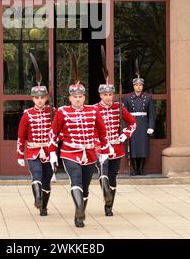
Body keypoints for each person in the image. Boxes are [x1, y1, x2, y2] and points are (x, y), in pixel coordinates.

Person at [49, 82, 113, 228]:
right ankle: (78, 208)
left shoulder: (93, 111)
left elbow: (102, 132)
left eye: (80, 96)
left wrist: (104, 151)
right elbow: (53, 133)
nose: (77, 99)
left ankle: (80, 214)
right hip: (69, 153)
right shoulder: (62, 111)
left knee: (85, 186)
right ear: (70, 98)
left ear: (84, 97)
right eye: (74, 97)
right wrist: (52, 153)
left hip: (89, 153)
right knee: (76, 179)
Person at [94, 82, 136, 216]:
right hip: (101, 148)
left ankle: (109, 205)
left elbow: (133, 122)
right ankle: (106, 194)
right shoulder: (94, 109)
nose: (108, 97)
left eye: (110, 95)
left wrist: (125, 135)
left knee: (112, 177)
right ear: (100, 95)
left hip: (116, 147)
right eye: (105, 95)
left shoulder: (119, 107)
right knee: (103, 173)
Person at [17, 84, 54, 216]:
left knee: (47, 180)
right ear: (32, 99)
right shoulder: (27, 114)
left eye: (42, 97)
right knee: (36, 173)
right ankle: (37, 200)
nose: (39, 100)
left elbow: (60, 131)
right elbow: (21, 136)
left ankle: (44, 206)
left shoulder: (52, 112)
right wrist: (20, 155)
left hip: (49, 152)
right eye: (37, 97)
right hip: (33, 150)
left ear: (46, 98)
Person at [123, 76, 155, 175]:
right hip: (132, 123)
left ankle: (141, 169)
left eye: (140, 85)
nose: (138, 87)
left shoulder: (148, 98)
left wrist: (151, 126)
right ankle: (135, 169)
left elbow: (151, 113)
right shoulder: (127, 97)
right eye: (136, 85)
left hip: (143, 124)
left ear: (142, 86)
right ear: (133, 86)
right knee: (133, 147)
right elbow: (124, 113)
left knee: (143, 147)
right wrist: (125, 126)